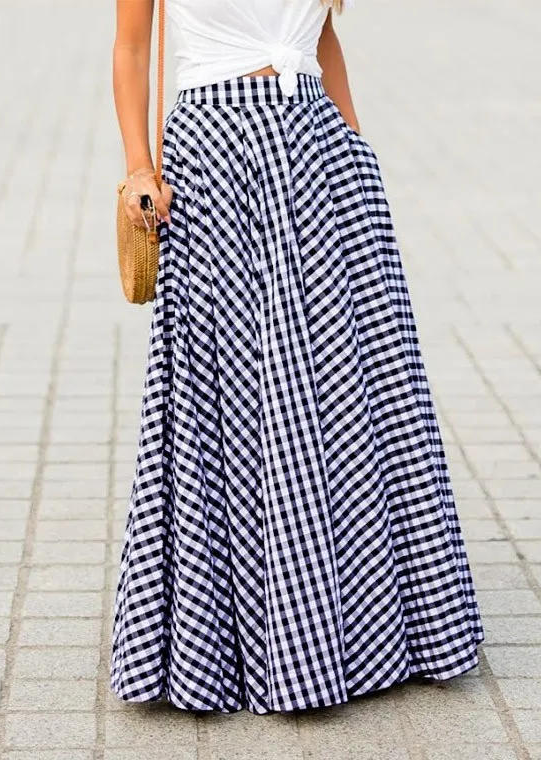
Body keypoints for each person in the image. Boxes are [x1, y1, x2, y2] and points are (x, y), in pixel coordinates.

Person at [110, 0, 485, 716]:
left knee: (353, 391)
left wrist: (358, 150)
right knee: (239, 392)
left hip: (322, 157)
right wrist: (138, 167)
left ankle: (369, 628)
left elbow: (324, 37)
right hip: (215, 158)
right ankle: (251, 636)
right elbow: (130, 49)